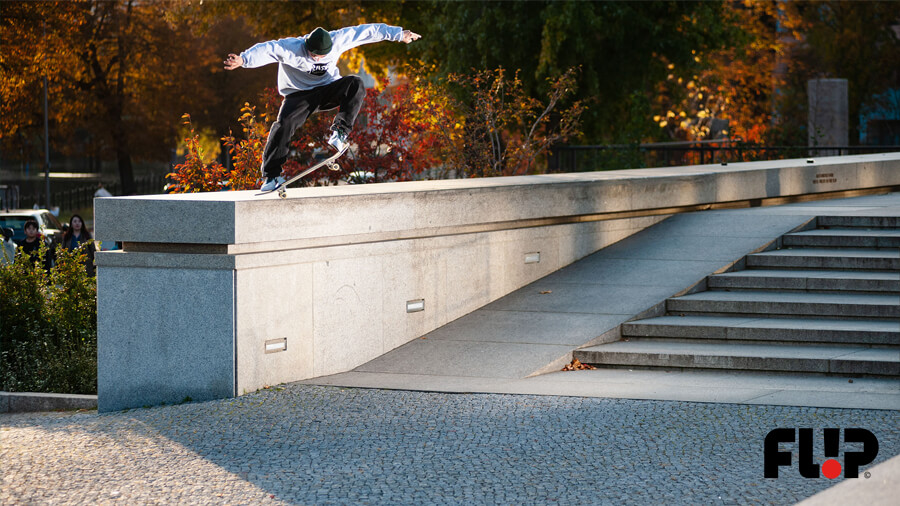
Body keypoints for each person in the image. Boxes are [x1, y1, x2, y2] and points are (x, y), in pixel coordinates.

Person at [224, 23, 421, 191]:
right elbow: (267, 49)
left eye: (322, 55)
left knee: (355, 83)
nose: (317, 58)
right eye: (313, 55)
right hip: (298, 96)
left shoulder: (338, 40)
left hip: (327, 90)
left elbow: (367, 31)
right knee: (283, 125)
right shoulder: (291, 47)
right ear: (306, 46)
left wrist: (398, 34)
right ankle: (271, 176)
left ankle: (339, 133)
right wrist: (243, 60)